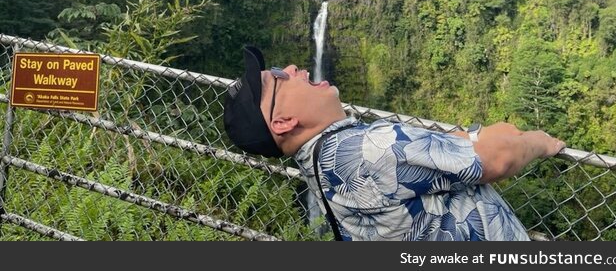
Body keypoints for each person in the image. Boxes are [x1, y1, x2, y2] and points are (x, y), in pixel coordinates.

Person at [224, 45, 566, 241]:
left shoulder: (326, 157)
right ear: (282, 122)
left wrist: (473, 138)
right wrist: (539, 141)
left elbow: (417, 153)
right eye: (280, 77)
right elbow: (500, 159)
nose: (293, 67)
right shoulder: (367, 149)